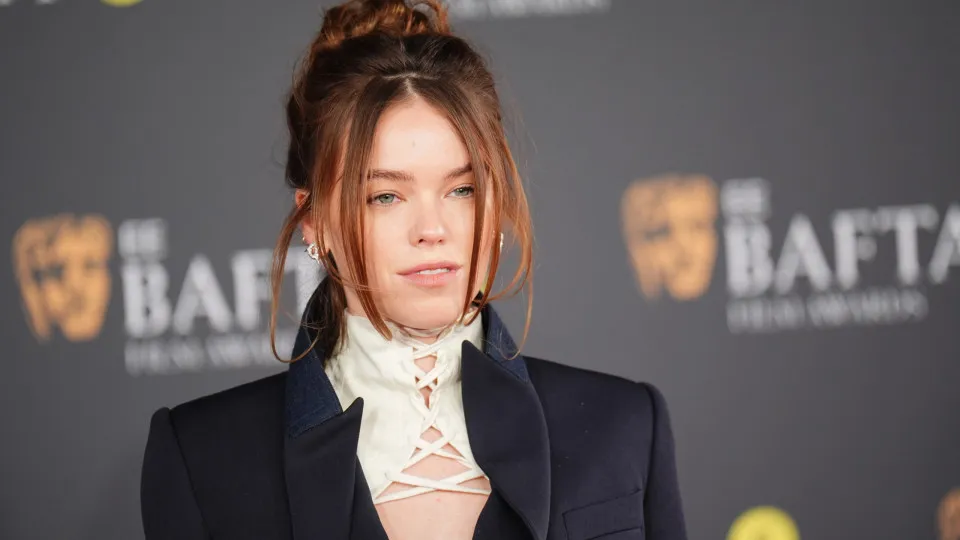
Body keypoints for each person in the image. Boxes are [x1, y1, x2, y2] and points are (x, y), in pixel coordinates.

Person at [139, 1, 687, 538]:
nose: (432, 228)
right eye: (385, 196)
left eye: (462, 189)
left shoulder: (623, 427)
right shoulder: (203, 459)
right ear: (314, 222)